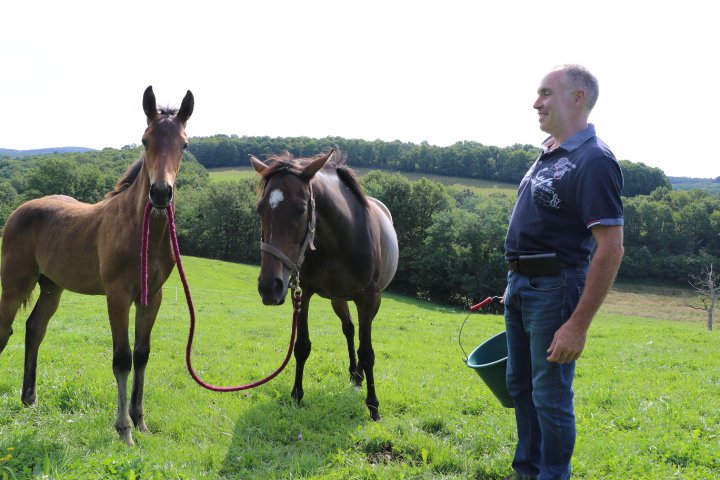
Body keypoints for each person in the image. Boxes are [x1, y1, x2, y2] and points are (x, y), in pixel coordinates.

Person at [502, 64, 624, 480]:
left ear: (578, 97)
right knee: (521, 387)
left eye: (546, 93)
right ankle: (528, 471)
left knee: (550, 395)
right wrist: (515, 281)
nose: (536, 103)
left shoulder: (594, 160)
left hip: (555, 288)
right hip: (521, 284)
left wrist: (578, 325)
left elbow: (611, 247)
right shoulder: (550, 150)